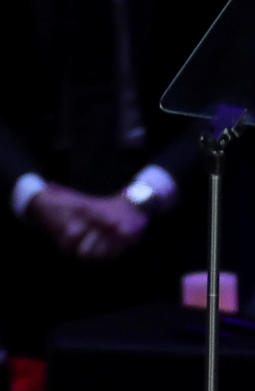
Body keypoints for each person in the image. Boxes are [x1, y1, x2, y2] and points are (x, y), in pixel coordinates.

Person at [0, 0, 219, 356]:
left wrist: (146, 194)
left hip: (182, 220)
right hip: (24, 234)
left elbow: (234, 95)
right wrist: (32, 193)